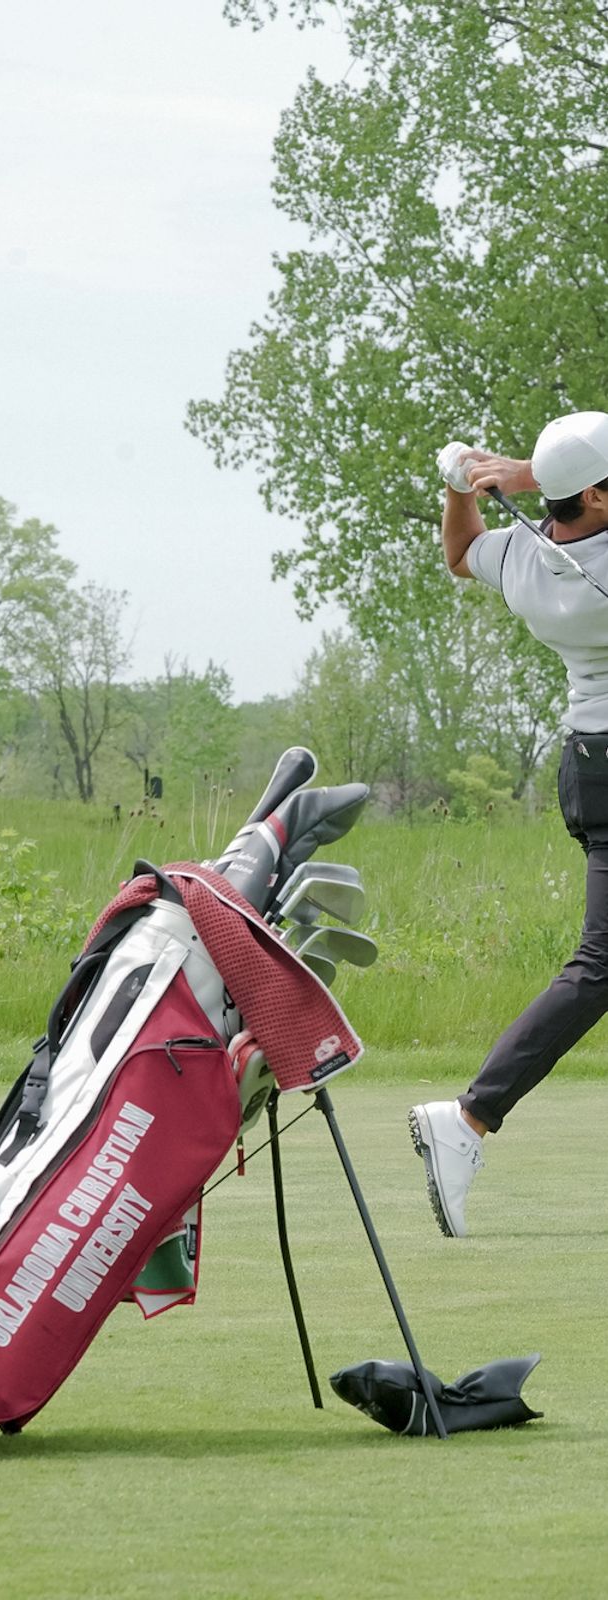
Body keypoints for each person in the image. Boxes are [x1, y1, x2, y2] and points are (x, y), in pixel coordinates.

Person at [410, 410, 608, 1237]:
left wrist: (466, 481)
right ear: (598, 496)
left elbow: (460, 553)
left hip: (586, 766)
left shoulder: (531, 559)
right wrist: (529, 470)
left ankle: (473, 1117)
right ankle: (471, 1116)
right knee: (601, 964)